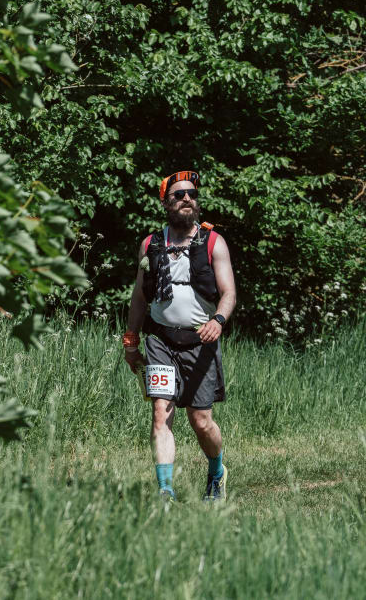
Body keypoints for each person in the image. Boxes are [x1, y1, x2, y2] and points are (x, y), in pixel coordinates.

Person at [122, 170, 236, 502]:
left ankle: (216, 472)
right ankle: (165, 491)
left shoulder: (213, 242)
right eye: (178, 194)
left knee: (201, 421)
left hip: (201, 343)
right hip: (160, 341)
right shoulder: (150, 245)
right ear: (165, 203)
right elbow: (139, 298)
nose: (187, 198)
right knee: (161, 411)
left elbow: (228, 293)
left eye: (192, 194)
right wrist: (131, 341)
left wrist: (218, 320)